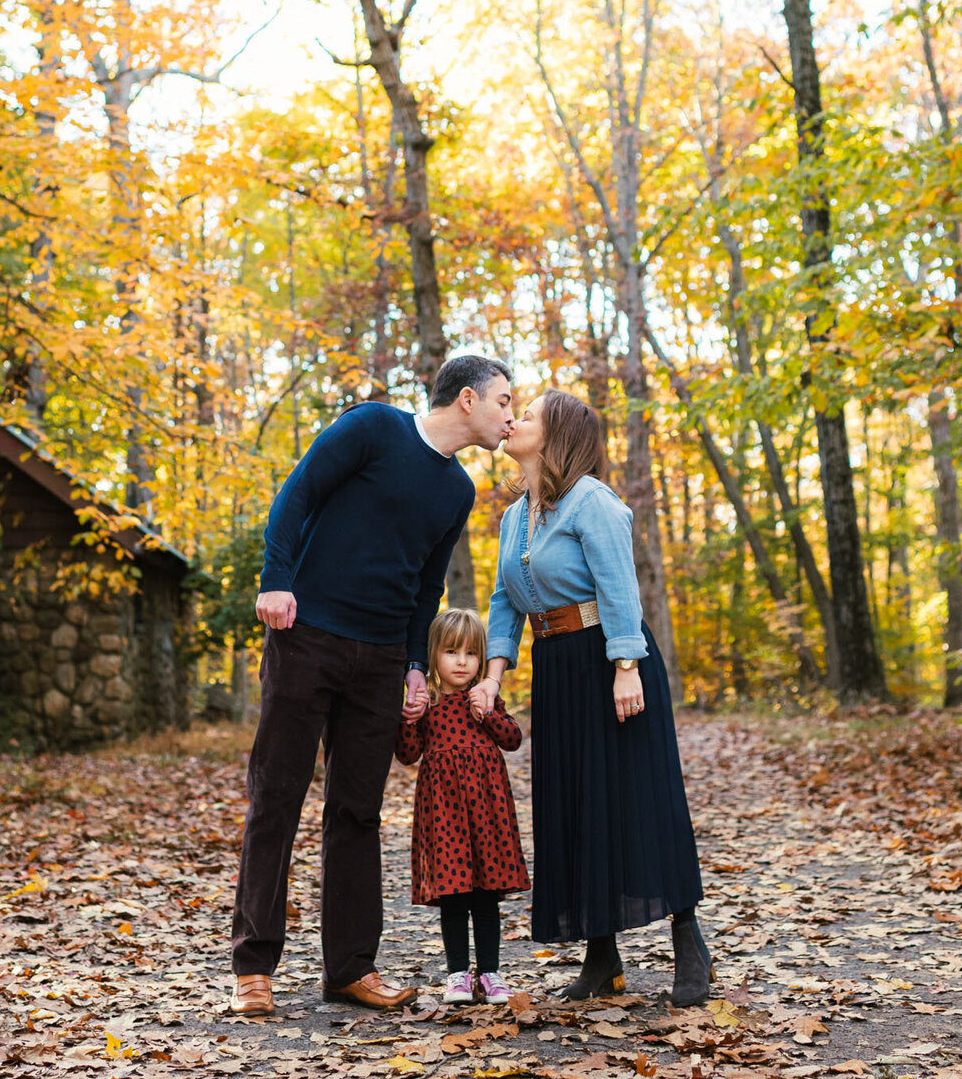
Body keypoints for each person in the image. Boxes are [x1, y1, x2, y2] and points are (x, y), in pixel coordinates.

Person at [229, 354, 515, 1020]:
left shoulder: (459, 492)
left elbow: (426, 588)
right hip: (308, 636)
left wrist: (416, 664)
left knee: (356, 813)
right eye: (505, 400)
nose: (511, 414)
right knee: (277, 796)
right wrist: (276, 581)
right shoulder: (372, 428)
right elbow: (296, 496)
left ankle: (350, 968)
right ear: (468, 400)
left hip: (382, 658)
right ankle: (252, 967)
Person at [472, 390, 711, 1005]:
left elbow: (617, 585)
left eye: (527, 416)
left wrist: (627, 665)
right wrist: (494, 675)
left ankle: (689, 939)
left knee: (639, 795)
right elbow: (505, 603)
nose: (514, 420)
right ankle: (601, 957)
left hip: (611, 660)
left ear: (556, 437)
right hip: (557, 668)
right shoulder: (514, 516)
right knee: (574, 803)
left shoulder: (593, 501)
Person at [395, 607, 529, 1006]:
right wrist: (407, 719)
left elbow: (513, 739)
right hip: (444, 812)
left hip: (487, 811)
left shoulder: (485, 697)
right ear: (434, 654)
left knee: (486, 892)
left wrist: (487, 713)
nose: (461, 661)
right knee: (454, 893)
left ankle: (490, 973)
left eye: (471, 653)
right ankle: (456, 975)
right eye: (452, 651)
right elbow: (407, 754)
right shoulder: (428, 700)